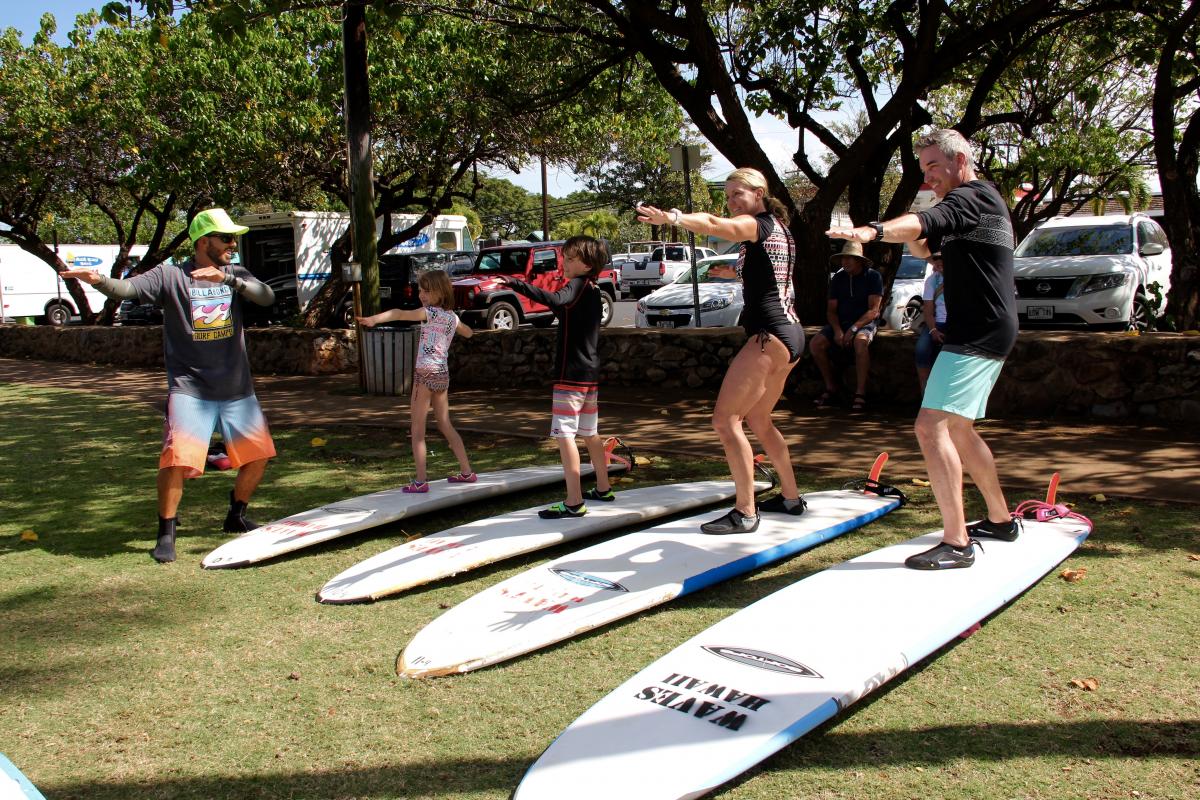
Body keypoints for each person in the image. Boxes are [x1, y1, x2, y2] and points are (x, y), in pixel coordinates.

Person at [826, 128, 1019, 570]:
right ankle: (1000, 520)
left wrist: (871, 231)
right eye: (923, 169)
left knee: (930, 428)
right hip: (985, 328)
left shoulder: (973, 196)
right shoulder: (972, 207)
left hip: (979, 332)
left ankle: (957, 542)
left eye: (933, 166)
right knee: (960, 429)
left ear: (960, 160)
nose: (927, 177)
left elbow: (921, 221)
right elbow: (924, 242)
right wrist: (909, 236)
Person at [61, 208, 277, 563]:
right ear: (203, 241)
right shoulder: (171, 275)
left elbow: (266, 296)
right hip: (190, 388)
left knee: (258, 457)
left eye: (234, 238)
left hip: (237, 388)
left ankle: (236, 515)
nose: (232, 245)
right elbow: (128, 289)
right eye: (226, 238)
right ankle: (166, 532)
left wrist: (229, 280)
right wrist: (98, 280)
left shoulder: (235, 273)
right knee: (176, 460)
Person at [637, 167, 806, 534]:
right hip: (791, 335)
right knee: (759, 420)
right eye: (728, 196)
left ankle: (745, 513)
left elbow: (716, 224)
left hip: (770, 336)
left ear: (759, 193)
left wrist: (672, 218)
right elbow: (767, 274)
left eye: (737, 194)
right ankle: (791, 498)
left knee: (725, 420)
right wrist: (731, 275)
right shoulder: (780, 228)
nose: (731, 202)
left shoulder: (756, 224)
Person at [494, 236, 613, 518]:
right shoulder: (594, 289)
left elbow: (554, 299)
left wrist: (515, 284)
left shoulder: (576, 285)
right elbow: (562, 306)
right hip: (589, 374)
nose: (564, 263)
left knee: (565, 436)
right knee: (590, 433)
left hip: (569, 376)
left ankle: (574, 501)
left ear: (587, 265)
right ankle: (603, 488)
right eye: (565, 257)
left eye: (570, 259)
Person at [357, 269, 476, 491]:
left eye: (427, 291)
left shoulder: (428, 313)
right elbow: (468, 332)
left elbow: (399, 314)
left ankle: (421, 481)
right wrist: (460, 328)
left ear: (441, 292)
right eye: (420, 290)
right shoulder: (452, 317)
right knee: (445, 424)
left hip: (425, 375)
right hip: (442, 375)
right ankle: (467, 472)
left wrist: (374, 319)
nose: (421, 295)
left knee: (418, 430)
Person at [809, 241, 883, 411]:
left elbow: (873, 310)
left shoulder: (873, 277)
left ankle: (860, 392)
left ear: (859, 261)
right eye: (843, 258)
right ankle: (831, 387)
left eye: (850, 258)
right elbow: (831, 311)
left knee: (860, 342)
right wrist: (837, 331)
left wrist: (853, 329)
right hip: (841, 322)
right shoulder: (838, 278)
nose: (845, 262)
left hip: (864, 322)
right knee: (815, 344)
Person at [915, 253, 947, 392]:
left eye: (942, 259)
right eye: (936, 259)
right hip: (937, 322)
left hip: (957, 323)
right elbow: (928, 310)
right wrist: (933, 330)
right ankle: (925, 391)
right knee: (921, 350)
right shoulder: (932, 280)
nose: (938, 262)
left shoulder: (963, 278)